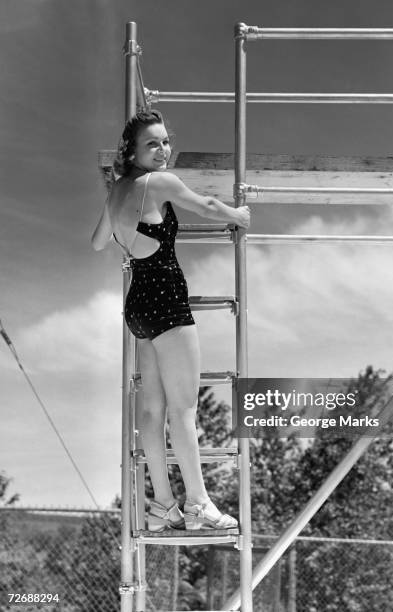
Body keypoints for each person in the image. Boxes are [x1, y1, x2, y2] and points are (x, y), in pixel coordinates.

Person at [92, 109, 250, 531]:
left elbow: (97, 242)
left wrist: (124, 221)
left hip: (139, 307)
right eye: (153, 144)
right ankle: (198, 503)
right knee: (184, 409)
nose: (163, 150)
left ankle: (163, 505)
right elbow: (207, 205)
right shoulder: (158, 183)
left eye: (165, 141)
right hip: (166, 304)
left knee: (153, 411)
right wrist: (239, 216)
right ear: (135, 150)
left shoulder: (118, 190)